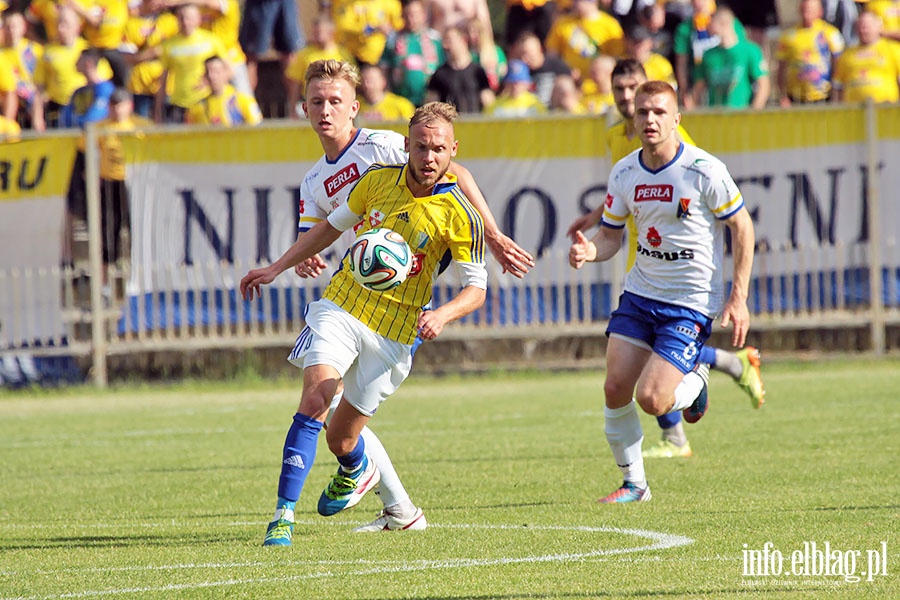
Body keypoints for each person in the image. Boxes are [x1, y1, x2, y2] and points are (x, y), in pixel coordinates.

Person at [248, 59, 533, 545]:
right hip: (345, 301)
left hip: (398, 322)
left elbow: (453, 170)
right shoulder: (319, 180)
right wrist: (285, 264)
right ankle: (283, 515)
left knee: (342, 436)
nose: (326, 111)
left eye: (335, 101)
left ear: (354, 107)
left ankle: (385, 495)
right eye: (317, 101)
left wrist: (493, 232)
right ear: (304, 108)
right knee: (317, 396)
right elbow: (322, 230)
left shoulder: (383, 147)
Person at [568, 79, 756, 502]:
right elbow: (611, 237)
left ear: (676, 119)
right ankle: (635, 484)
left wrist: (738, 297)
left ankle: (699, 378)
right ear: (632, 119)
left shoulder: (704, 170)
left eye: (658, 112)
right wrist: (588, 252)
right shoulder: (625, 172)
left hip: (689, 302)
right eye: (641, 112)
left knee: (652, 399)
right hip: (640, 294)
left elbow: (742, 226)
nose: (649, 120)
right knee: (615, 388)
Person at [693, 7, 770, 109]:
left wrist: (754, 112)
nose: (707, 26)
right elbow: (699, 87)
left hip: (740, 114)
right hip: (715, 115)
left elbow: (763, 85)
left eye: (711, 23)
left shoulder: (750, 50)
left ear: (723, 24)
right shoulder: (708, 55)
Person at [775, 0, 845, 106]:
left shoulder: (830, 33)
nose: (806, 13)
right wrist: (782, 95)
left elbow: (838, 64)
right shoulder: (788, 36)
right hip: (795, 97)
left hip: (822, 96)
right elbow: (781, 67)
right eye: (804, 9)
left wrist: (836, 93)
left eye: (811, 10)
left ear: (820, 11)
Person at [284, 15, 353, 118]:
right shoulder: (304, 54)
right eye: (314, 32)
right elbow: (295, 83)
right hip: (311, 102)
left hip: (337, 102)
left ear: (331, 33)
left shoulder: (343, 55)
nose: (315, 35)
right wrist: (292, 108)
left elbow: (351, 83)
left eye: (319, 32)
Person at [380, 0, 444, 107]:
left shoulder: (435, 39)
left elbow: (443, 67)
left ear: (423, 15)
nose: (411, 19)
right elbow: (384, 68)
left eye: (414, 15)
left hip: (429, 100)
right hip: (401, 100)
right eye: (407, 15)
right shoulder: (393, 39)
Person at [832, 9, 900, 103]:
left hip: (885, 109)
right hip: (853, 111)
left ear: (878, 27)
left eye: (867, 27)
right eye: (860, 27)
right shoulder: (846, 55)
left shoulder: (893, 50)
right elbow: (837, 87)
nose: (863, 30)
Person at [426, 24, 494, 113]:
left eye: (449, 41)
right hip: (452, 124)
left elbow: (488, 101)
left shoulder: (477, 71)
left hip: (474, 124)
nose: (445, 46)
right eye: (444, 41)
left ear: (463, 40)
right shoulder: (439, 74)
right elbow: (430, 106)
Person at [238, 0, 304, 90]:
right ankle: (247, 101)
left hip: (285, 3)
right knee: (251, 57)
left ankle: (294, 102)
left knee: (290, 53)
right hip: (258, 4)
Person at [186, 55, 263, 125]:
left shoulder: (243, 101)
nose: (212, 76)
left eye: (216, 72)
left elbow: (257, 126)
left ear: (226, 73)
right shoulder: (197, 107)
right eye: (208, 72)